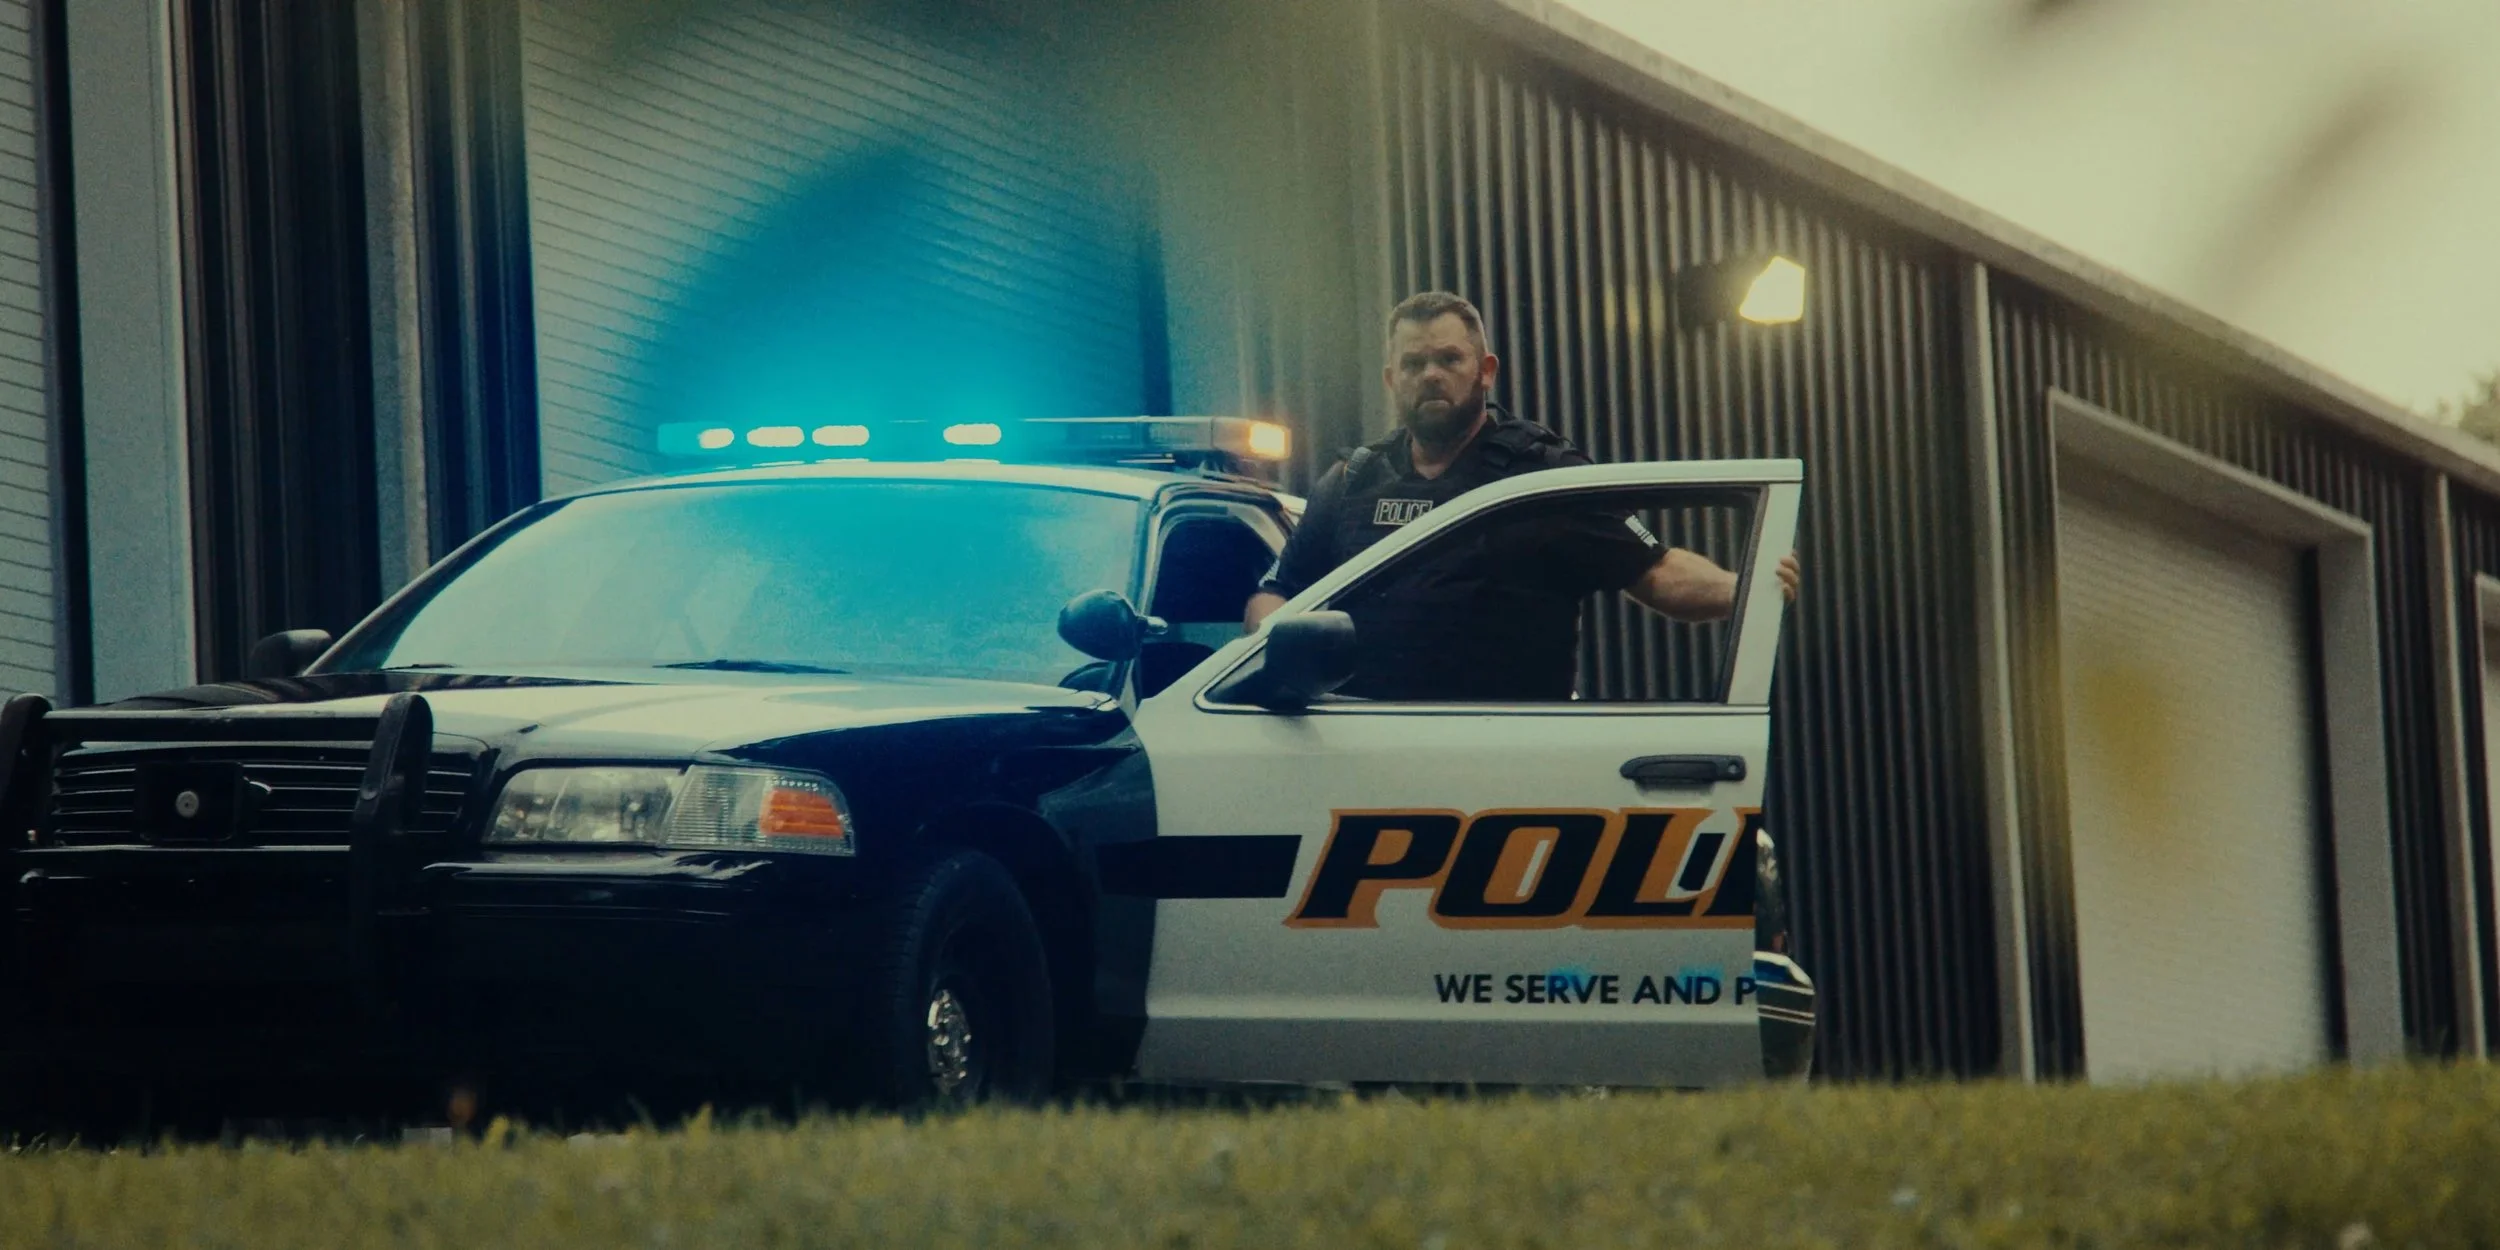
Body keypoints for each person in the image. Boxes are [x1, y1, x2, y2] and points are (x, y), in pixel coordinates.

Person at [1242, 290, 1800, 701]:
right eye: (1414, 364)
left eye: (1449, 359)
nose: (1430, 375)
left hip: (1507, 760)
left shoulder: (1543, 476)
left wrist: (1750, 587)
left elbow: (1655, 573)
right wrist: (1286, 668)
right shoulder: (1351, 482)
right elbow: (1276, 595)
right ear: (1392, 380)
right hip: (1364, 756)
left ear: (1486, 372)